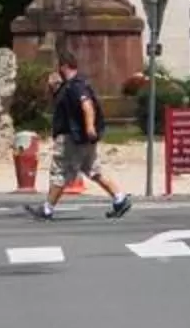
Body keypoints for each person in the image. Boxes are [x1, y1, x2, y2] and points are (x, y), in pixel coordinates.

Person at [31, 51, 133, 220]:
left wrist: (90, 127)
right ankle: (119, 198)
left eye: (59, 68)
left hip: (72, 138)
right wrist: (52, 88)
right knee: (93, 169)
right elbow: (61, 105)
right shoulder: (70, 86)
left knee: (60, 172)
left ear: (64, 67)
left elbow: (87, 105)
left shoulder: (76, 85)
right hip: (81, 137)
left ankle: (47, 209)